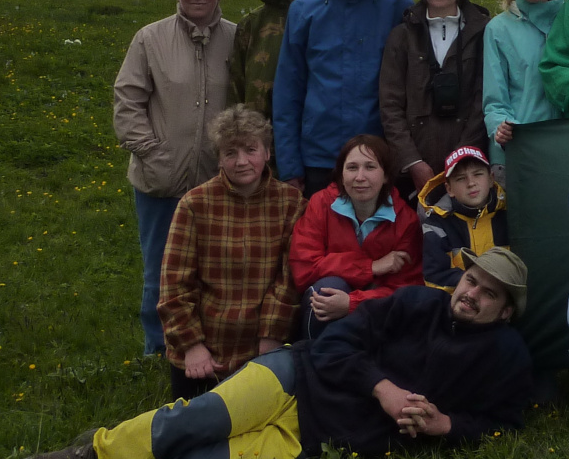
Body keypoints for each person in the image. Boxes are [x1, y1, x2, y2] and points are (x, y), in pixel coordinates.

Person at [13, 249, 533, 459]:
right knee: (193, 421)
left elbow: (504, 422)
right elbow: (333, 344)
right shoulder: (417, 302)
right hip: (294, 378)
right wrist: (383, 388)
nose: (471, 294)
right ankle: (91, 454)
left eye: (489, 293)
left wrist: (445, 425)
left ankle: (143, 447)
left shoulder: (507, 357)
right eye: (471, 281)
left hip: (316, 437)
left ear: (506, 312)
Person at [113, 0, 237, 354]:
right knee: (160, 269)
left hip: (217, 180)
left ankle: (209, 342)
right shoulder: (150, 38)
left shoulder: (237, 38)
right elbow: (128, 100)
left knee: (213, 268)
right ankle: (158, 347)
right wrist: (151, 152)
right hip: (160, 180)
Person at [158, 106, 302, 401]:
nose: (242, 161)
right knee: (192, 424)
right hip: (205, 351)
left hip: (264, 344)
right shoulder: (194, 204)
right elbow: (174, 284)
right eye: (230, 153)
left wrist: (272, 335)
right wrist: (191, 345)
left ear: (267, 153)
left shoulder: (292, 203)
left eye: (251, 150)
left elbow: (290, 278)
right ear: (219, 159)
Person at [273, 0, 413, 196]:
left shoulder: (398, 7)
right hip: (318, 159)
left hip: (379, 159)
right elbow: (288, 91)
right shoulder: (304, 9)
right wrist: (289, 167)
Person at [379, 0, 490, 195]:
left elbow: (484, 99)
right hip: (412, 175)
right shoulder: (401, 36)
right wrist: (412, 162)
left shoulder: (484, 32)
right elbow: (390, 105)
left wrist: (462, 160)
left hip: (469, 170)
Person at [290, 135, 424, 340]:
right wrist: (370, 267)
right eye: (352, 168)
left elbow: (405, 291)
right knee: (327, 289)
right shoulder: (321, 204)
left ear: (386, 175)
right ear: (341, 174)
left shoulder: (406, 220)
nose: (360, 177)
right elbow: (303, 268)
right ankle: (316, 354)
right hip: (327, 307)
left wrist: (352, 303)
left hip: (375, 314)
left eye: (370, 167)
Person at [482, 0, 566, 166]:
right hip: (517, 154)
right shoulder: (498, 30)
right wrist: (500, 128)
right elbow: (494, 101)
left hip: (567, 150)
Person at [226, 0, 324, 119]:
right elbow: (236, 88)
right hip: (258, 133)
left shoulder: (331, 18)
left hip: (318, 131)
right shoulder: (251, 24)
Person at [420, 145, 509, 290]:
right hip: (459, 301)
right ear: (449, 189)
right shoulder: (436, 224)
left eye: (478, 174)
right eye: (461, 178)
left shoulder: (511, 214)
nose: (471, 183)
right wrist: (480, 286)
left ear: (491, 178)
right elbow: (434, 279)